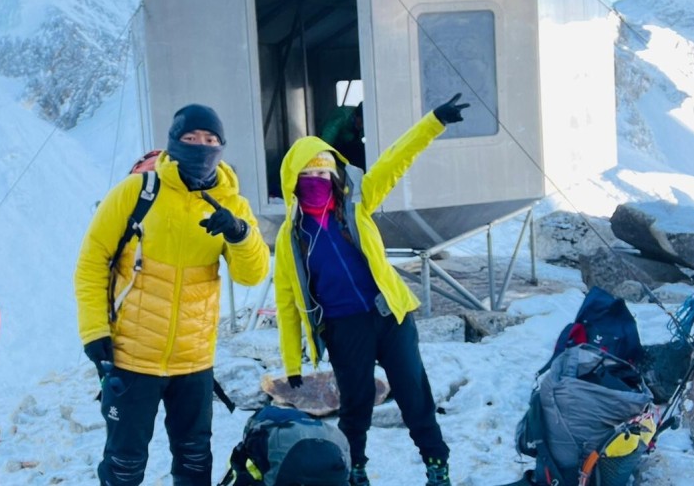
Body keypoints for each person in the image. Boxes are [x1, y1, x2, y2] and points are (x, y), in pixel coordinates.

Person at [273, 94, 470, 486]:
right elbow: (286, 303)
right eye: (308, 176)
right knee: (356, 405)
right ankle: (353, 467)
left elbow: (395, 161)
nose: (318, 182)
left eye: (325, 174)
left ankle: (436, 463)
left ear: (336, 176)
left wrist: (433, 122)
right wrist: (292, 362)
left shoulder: (355, 207)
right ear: (294, 181)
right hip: (344, 328)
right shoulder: (289, 238)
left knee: (414, 395)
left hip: (389, 316)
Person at [75, 104, 270, 486]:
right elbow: (91, 263)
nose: (201, 146)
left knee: (195, 464)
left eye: (210, 140)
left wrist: (240, 234)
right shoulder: (137, 191)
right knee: (124, 466)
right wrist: (94, 331)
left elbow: (254, 274)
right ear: (173, 142)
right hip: (132, 359)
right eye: (191, 138)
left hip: (194, 363)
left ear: (221, 147)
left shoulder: (233, 203)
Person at [320, 102, 365, 169]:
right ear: (356, 116)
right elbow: (327, 138)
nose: (362, 126)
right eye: (361, 122)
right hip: (335, 147)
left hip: (350, 146)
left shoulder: (363, 126)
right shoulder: (342, 116)